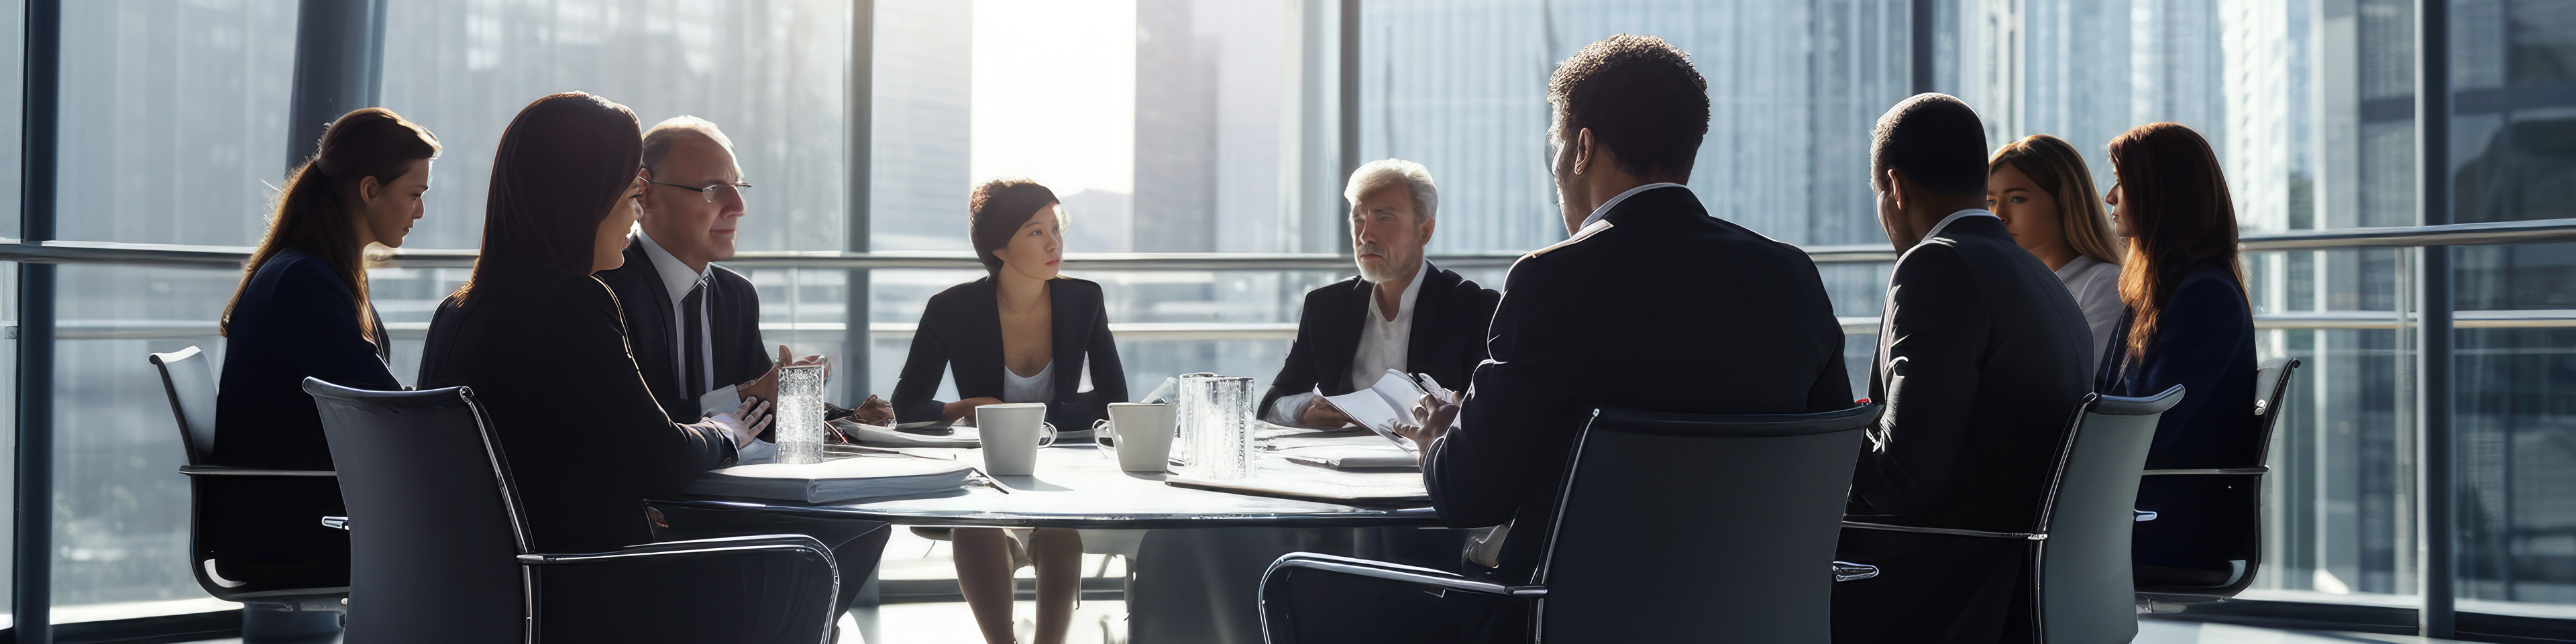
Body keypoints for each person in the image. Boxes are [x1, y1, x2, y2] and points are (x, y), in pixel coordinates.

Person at [1346, 34, 1851, 642]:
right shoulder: (1790, 276)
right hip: (1756, 620)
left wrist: (1440, 437)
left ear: (1580, 148)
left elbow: (1466, 494)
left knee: (1347, 603)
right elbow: (1830, 467)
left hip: (1559, 619)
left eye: (1556, 148)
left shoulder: (1553, 280)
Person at [415, 92, 869, 640]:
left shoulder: (456, 312)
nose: (635, 214)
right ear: (582, 199)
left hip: (482, 596)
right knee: (807, 565)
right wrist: (726, 428)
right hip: (594, 589)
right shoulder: (578, 303)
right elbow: (662, 456)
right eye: (631, 195)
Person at [1829, 94, 2095, 644]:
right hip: (2024, 580)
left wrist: (1824, 425)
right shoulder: (2040, 274)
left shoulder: (1936, 264)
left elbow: (1903, 486)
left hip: (1944, 585)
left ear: (1894, 188)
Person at [890, 178, 1126, 644]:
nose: (1054, 242)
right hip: (984, 467)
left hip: (1060, 464)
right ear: (999, 246)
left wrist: (1048, 418)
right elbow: (907, 405)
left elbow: (1114, 398)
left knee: (1060, 533)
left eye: (1056, 229)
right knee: (974, 528)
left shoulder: (1083, 299)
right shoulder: (951, 309)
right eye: (1035, 232)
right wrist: (964, 408)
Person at [213, 107, 438, 587]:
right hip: (297, 532)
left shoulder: (308, 270)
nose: (420, 211)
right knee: (487, 542)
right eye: (414, 195)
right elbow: (377, 409)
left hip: (287, 520)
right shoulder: (306, 283)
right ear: (369, 190)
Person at [593, 116, 888, 439]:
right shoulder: (603, 289)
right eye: (714, 189)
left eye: (738, 188)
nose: (738, 207)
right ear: (646, 194)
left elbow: (763, 409)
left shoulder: (737, 295)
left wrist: (847, 418)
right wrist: (748, 396)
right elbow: (634, 423)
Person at [2095, 122, 2257, 585]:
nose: (2110, 196)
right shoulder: (2168, 292)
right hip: (2147, 507)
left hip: (2161, 521)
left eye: (2122, 183)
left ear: (2160, 195)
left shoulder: (2202, 296)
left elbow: (2147, 428)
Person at [1260, 158, 1500, 428]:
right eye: (1359, 220)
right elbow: (1273, 402)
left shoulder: (1473, 309)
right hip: (1340, 463)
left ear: (1424, 230)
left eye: (1384, 218)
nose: (1365, 237)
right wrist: (1303, 411)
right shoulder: (1326, 308)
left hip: (1427, 466)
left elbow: (1493, 414)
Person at [1988, 134, 2125, 366]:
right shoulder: (2001, 286)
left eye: (2017, 199)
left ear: (2065, 201)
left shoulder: (2103, 283)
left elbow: (2087, 382)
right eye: (1990, 201)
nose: (1998, 215)